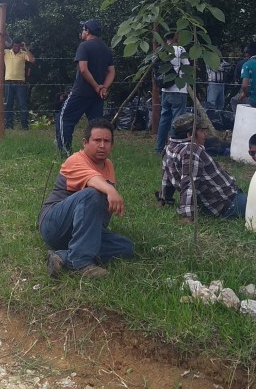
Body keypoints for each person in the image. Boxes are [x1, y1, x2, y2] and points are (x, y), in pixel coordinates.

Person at [38, 118, 133, 279]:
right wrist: (110, 189)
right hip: (53, 225)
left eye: (106, 141)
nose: (102, 145)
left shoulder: (108, 165)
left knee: (126, 247)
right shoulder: (75, 160)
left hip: (79, 230)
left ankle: (63, 256)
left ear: (112, 145)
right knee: (93, 193)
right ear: (85, 142)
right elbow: (93, 180)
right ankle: (80, 261)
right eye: (97, 140)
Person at [159, 113, 246, 221]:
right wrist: (188, 216)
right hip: (227, 203)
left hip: (216, 203)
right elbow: (189, 184)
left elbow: (166, 176)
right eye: (201, 131)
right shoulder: (191, 151)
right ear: (189, 135)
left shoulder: (169, 147)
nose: (205, 135)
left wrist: (164, 199)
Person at [56, 20, 115, 156]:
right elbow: (111, 71)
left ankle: (65, 152)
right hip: (98, 95)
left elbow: (83, 69)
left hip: (81, 92)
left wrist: (95, 86)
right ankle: (96, 152)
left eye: (83, 29)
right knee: (96, 125)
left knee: (64, 119)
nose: (82, 32)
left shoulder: (84, 46)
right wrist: (103, 87)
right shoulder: (106, 49)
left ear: (87, 30)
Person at [154, 32, 189, 153]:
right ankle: (175, 147)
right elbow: (187, 67)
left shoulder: (162, 51)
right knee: (178, 120)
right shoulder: (180, 50)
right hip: (179, 89)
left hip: (165, 90)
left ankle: (159, 148)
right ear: (176, 37)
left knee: (164, 119)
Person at [0, 35, 35, 130]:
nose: (16, 48)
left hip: (20, 83)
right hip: (9, 82)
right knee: (8, 104)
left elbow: (32, 60)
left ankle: (24, 125)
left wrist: (25, 48)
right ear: (12, 46)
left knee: (23, 105)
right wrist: (1, 41)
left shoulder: (23, 54)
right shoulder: (6, 52)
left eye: (18, 46)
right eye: (15, 46)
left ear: (20, 46)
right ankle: (9, 125)